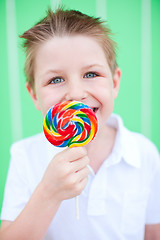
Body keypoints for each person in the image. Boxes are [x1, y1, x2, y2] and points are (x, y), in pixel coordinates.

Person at [0, 7, 160, 240]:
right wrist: (48, 193)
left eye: (91, 74)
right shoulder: (26, 156)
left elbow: (153, 233)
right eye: (56, 79)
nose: (75, 93)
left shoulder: (143, 154)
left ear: (114, 83)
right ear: (34, 94)